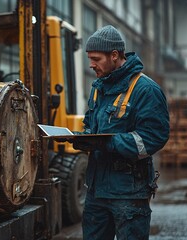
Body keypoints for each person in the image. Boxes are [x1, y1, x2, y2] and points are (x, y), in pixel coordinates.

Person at [73, 25, 170, 239]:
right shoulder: (99, 87)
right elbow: (91, 121)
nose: (91, 65)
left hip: (128, 192)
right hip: (96, 190)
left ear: (115, 55)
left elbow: (153, 137)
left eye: (96, 59)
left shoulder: (145, 90)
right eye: (90, 59)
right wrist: (84, 137)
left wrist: (108, 143)